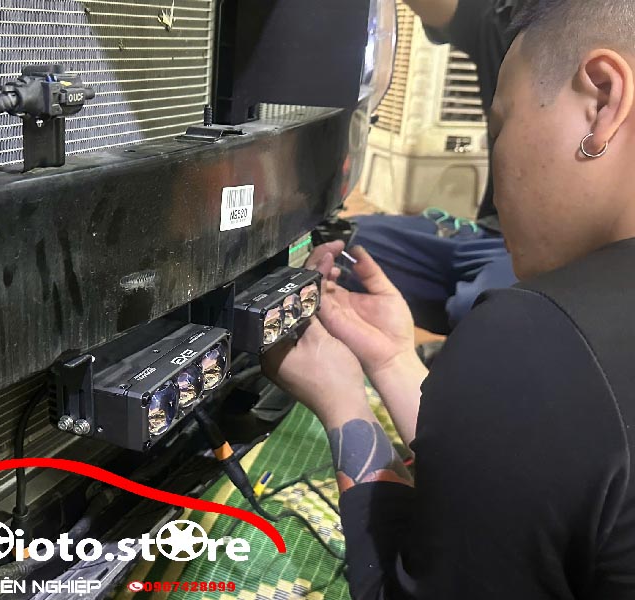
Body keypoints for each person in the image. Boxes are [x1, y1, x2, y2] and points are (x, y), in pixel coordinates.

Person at [264, 0, 635, 597]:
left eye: (501, 125)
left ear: (603, 99)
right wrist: (392, 359)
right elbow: (519, 469)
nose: (496, 160)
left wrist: (343, 404)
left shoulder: (539, 339)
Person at [348, 0, 519, 334]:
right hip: (486, 233)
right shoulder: (507, 21)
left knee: (486, 312)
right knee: (337, 251)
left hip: (551, 257)